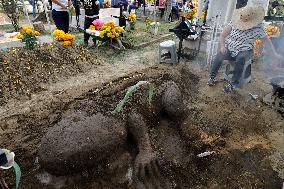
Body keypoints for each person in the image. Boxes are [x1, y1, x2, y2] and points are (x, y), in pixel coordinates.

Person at [207, 5, 283, 93]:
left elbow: (267, 42)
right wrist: (222, 46)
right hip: (231, 48)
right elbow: (223, 35)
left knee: (241, 58)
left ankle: (233, 84)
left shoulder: (258, 27)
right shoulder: (234, 22)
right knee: (220, 55)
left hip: (245, 50)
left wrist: (274, 54)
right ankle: (212, 78)